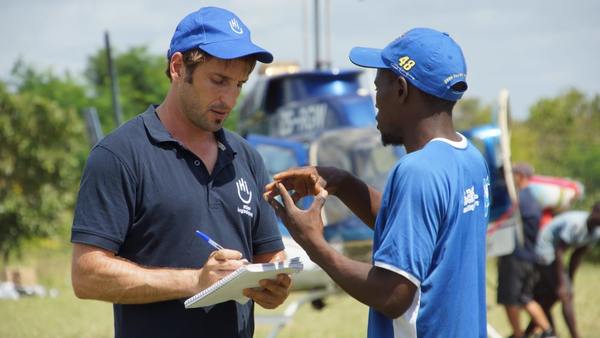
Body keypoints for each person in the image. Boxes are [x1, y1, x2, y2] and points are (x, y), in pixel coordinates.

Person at [70, 7, 291, 338]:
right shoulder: (119, 155)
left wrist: (274, 286)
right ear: (177, 67)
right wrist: (194, 281)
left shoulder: (246, 157)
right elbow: (86, 275)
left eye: (239, 85)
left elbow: (269, 256)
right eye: (218, 80)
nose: (228, 99)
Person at [265, 28, 490, 337]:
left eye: (377, 87)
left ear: (400, 89)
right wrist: (342, 183)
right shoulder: (470, 159)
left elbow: (393, 295)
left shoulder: (416, 170)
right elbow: (413, 229)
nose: (375, 102)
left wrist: (313, 244)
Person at [526, 201, 600, 338]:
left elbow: (576, 255)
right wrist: (562, 284)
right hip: (544, 251)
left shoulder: (596, 233)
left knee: (551, 297)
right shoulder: (577, 225)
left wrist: (569, 280)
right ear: (594, 211)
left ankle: (538, 331)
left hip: (555, 255)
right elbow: (559, 250)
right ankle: (574, 335)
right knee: (565, 296)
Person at [497, 163, 555, 338]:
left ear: (520, 175)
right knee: (525, 298)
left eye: (513, 174)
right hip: (528, 257)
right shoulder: (531, 198)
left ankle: (518, 334)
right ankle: (548, 332)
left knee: (510, 300)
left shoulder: (520, 200)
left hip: (517, 258)